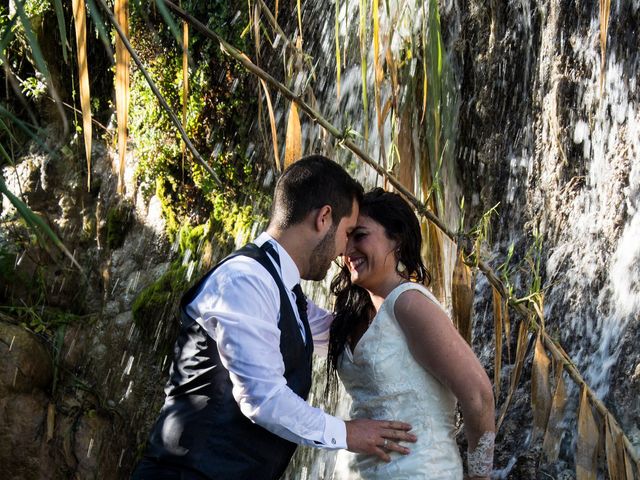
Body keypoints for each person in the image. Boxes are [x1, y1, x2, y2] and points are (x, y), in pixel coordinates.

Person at [132, 156, 417, 480]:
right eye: (347, 232)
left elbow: (338, 334)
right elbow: (262, 399)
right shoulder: (245, 280)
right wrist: (348, 433)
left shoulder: (282, 289)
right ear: (324, 218)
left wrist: (398, 294)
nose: (343, 250)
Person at [328, 188, 495, 480]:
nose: (348, 250)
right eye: (347, 237)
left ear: (397, 239)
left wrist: (480, 476)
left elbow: (478, 395)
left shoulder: (408, 302)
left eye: (361, 235)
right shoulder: (353, 316)